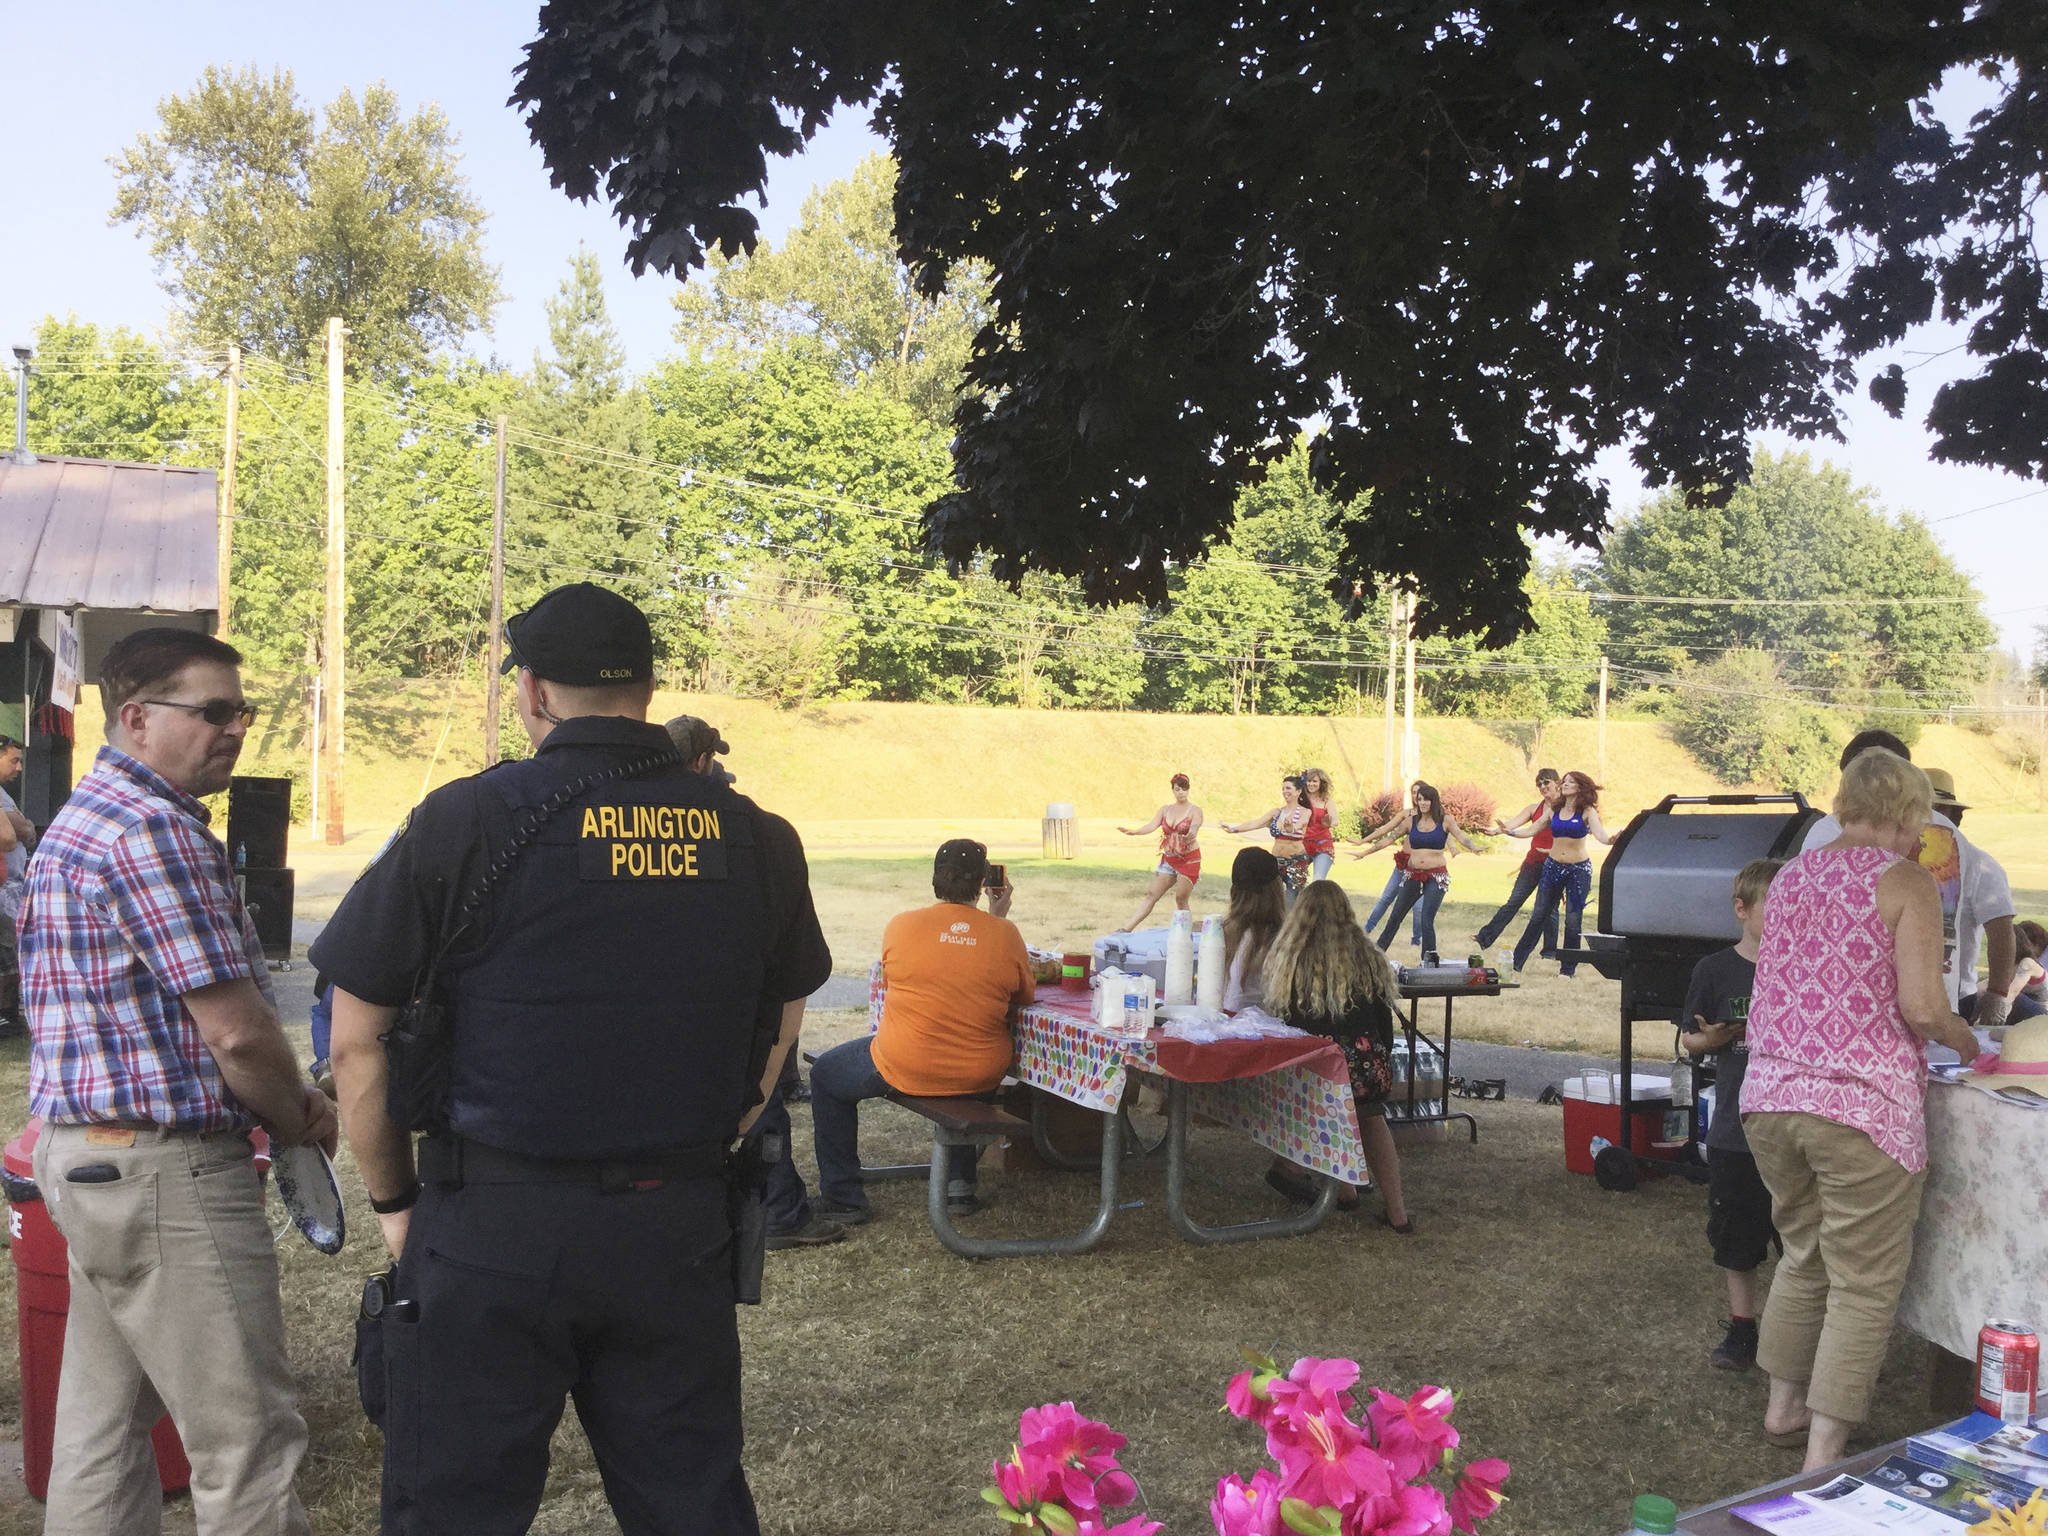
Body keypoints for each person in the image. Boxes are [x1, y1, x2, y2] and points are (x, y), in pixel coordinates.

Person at [314, 582, 832, 1535]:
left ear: (534, 693)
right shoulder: (758, 837)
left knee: (453, 1510)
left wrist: (394, 1204)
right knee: (691, 1503)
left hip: (490, 1224)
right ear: (645, 688)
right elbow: (787, 1011)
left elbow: (355, 1040)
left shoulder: (462, 819)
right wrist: (726, 1128)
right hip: (678, 1225)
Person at [19, 628, 336, 1534]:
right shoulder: (153, 831)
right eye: (212, 712)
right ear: (137, 717)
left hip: (88, 1166)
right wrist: (301, 1114)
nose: (235, 728)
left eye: (242, 711)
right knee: (249, 1446)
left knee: (102, 1437)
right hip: (164, 1175)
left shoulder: (83, 816)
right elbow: (237, 1034)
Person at [1743, 749, 1978, 1472]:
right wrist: (1973, 1042)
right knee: (1864, 1280)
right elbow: (1921, 1007)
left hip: (1772, 1098)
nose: (1919, 839)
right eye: (1920, 824)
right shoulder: (1905, 880)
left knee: (1802, 1255)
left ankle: (1782, 1407)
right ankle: (1824, 1451)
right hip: (1861, 1106)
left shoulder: (1788, 878)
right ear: (1906, 816)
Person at [662, 715, 841, 1251]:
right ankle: (782, 1212)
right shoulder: (750, 826)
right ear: (701, 760)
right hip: (739, 989)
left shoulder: (639, 814)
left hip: (672, 991)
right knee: (761, 1103)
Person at [808, 839, 1033, 1222]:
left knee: (825, 1075)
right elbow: (1024, 992)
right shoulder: (1004, 934)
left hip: (905, 1061)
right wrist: (996, 917)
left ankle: (844, 1197)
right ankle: (958, 1186)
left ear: (935, 879)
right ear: (983, 882)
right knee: (961, 1068)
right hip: (978, 1070)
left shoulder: (902, 925)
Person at [1798, 733, 2017, 1027]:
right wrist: (1994, 996)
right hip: (1932, 1005)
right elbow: (2000, 922)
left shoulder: (1826, 835)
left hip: (1844, 1011)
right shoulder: (1947, 830)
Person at [1679, 857, 1784, 1372]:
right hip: (1736, 1129)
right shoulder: (1715, 970)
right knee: (1737, 1236)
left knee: (1798, 1241)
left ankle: (1794, 1334)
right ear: (1742, 909)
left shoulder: (1807, 966)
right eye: (1775, 905)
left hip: (1792, 1125)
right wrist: (1711, 1039)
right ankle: (1743, 1330)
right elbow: (1690, 1038)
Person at [1258, 882, 1413, 1231]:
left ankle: (1307, 1174)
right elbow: (1383, 1025)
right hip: (1368, 1067)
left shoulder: (1290, 959)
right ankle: (1397, 1213)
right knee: (1371, 1121)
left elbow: (1287, 1022)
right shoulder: (1370, 956)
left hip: (1318, 1068)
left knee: (1313, 1104)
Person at [1351, 781, 1483, 954]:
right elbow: (1389, 838)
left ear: (1433, 801)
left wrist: (1473, 847)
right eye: (1420, 799)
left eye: (1426, 800)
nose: (1422, 803)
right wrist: (1365, 852)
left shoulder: (1445, 821)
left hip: (1436, 877)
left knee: (1426, 919)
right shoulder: (1410, 822)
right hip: (1412, 875)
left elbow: (1461, 837)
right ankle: (1377, 954)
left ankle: (1428, 961)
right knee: (1396, 915)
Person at [1510, 770, 1614, 976]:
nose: (1564, 784)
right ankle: (1516, 962)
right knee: (1539, 914)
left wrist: (1611, 840)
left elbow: (1601, 835)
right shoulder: (1554, 810)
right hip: (1552, 867)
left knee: (1573, 920)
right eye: (1564, 782)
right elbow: (1533, 829)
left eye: (1570, 782)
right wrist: (1509, 832)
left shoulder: (1587, 812)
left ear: (1580, 787)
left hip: (1578, 870)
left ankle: (1567, 969)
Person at [1475, 769, 1562, 958]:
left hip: (1555, 864)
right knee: (1513, 902)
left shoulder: (1566, 808)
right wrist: (1495, 831)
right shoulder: (1534, 808)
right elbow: (1512, 825)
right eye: (1539, 784)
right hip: (1532, 863)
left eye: (1546, 782)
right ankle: (1485, 937)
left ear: (1557, 782)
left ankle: (1550, 952)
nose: (1543, 787)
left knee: (1550, 909)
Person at [1117, 773, 1203, 929]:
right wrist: (1135, 832)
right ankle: (1126, 929)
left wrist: (1191, 834)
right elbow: (1151, 825)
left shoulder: (1195, 810)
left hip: (1188, 859)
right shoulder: (1165, 809)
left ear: (1188, 790)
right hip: (1169, 859)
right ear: (1173, 790)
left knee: (1181, 899)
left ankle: (1187, 932)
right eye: (1177, 789)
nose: (1181, 792)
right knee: (1152, 894)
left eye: (1184, 789)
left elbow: (1195, 826)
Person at [1220, 775, 1313, 899]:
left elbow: (1299, 824)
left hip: (1296, 863)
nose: (1285, 791)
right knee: (1272, 897)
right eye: (1283, 788)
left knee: (1292, 899)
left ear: (1298, 791)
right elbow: (1256, 823)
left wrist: (1291, 828)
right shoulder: (1276, 812)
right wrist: (1233, 829)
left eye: (1288, 788)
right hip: (1276, 862)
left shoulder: (1305, 812)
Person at [1221, 846, 1287, 1012]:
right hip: (1269, 1030)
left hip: (1224, 1022)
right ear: (1276, 890)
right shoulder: (1285, 938)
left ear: (1234, 891)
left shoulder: (1221, 932)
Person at [0, 732, 33, 1035]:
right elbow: (10, 837)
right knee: (9, 953)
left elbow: (23, 828)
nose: (19, 768)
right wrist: (18, 823)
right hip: (2, 888)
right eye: (14, 760)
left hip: (10, 886)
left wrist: (20, 823)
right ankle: (6, 1016)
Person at [1299, 767, 1341, 880]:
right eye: (1309, 781)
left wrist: (1330, 823)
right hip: (1302, 845)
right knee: (1296, 881)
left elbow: (1335, 820)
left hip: (1322, 845)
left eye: (1314, 781)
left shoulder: (1327, 801)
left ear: (1321, 783)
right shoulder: (1300, 799)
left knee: (1318, 880)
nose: (1311, 784)